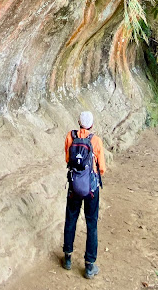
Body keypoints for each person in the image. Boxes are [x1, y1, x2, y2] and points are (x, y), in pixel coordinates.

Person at [62, 110, 106, 279]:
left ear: (78, 123)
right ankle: (89, 266)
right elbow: (101, 167)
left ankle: (67, 258)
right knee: (91, 224)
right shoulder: (96, 141)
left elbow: (68, 159)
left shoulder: (70, 137)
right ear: (92, 125)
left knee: (71, 219)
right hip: (90, 189)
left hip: (74, 186)